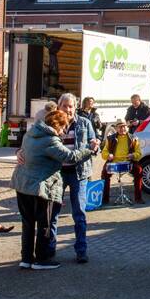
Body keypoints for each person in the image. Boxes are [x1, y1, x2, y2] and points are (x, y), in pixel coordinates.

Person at [11, 110, 94, 270]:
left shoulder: (30, 134)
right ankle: (41, 260)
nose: (63, 131)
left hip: (22, 185)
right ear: (57, 125)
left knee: (28, 224)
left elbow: (22, 151)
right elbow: (70, 157)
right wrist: (89, 149)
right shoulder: (50, 141)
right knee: (45, 224)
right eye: (63, 127)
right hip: (40, 188)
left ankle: (26, 259)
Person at [56, 93, 100, 263]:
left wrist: (95, 145)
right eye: (65, 106)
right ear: (59, 106)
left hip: (78, 173)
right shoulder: (53, 123)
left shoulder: (84, 122)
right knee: (52, 213)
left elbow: (94, 143)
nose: (68, 109)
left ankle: (81, 250)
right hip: (57, 173)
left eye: (71, 106)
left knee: (79, 213)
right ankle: (49, 249)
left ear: (75, 107)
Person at [103, 118, 144, 204]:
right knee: (104, 173)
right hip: (114, 162)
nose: (122, 129)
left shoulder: (134, 138)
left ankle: (138, 198)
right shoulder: (110, 139)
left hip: (128, 162)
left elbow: (139, 153)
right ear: (116, 128)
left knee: (139, 170)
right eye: (120, 127)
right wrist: (108, 155)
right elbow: (104, 153)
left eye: (124, 126)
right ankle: (104, 199)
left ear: (127, 127)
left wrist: (133, 155)